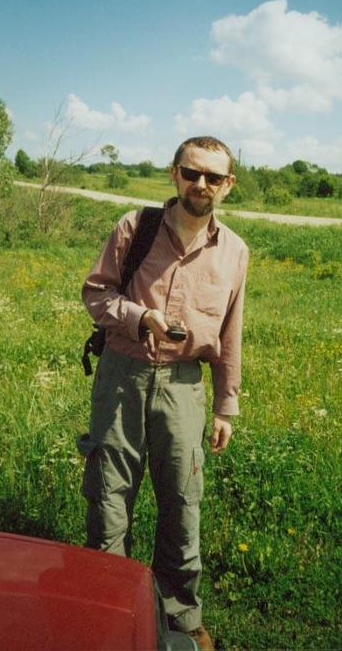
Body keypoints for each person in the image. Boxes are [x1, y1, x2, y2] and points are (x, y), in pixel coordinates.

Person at [78, 136, 249, 651]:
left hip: (183, 387)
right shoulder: (136, 227)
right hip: (122, 375)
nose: (201, 185)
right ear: (174, 174)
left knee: (182, 501)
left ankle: (180, 615)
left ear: (227, 185)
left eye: (213, 177)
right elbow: (96, 293)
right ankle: (107, 605)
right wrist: (139, 316)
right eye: (191, 173)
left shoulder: (235, 251)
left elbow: (232, 331)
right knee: (109, 495)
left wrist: (225, 404)